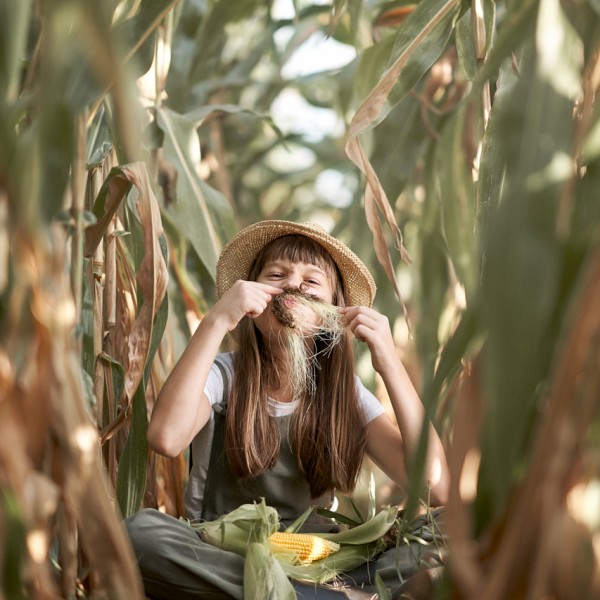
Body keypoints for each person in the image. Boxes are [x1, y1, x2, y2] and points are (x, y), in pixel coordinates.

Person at [125, 220, 450, 599]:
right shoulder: (224, 376)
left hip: (326, 563)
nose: (294, 285)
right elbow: (165, 437)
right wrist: (216, 320)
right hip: (227, 554)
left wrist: (389, 363)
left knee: (449, 529)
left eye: (312, 281)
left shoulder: (345, 392)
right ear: (250, 301)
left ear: (333, 311)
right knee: (140, 536)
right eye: (276, 275)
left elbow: (433, 484)